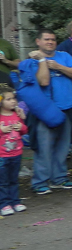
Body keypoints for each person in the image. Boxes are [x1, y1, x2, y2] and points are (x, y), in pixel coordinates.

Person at [25, 29, 72, 194]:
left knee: (63, 147)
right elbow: (43, 81)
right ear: (38, 41)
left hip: (67, 107)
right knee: (44, 148)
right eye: (46, 39)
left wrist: (57, 66)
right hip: (46, 111)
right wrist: (43, 60)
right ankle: (40, 182)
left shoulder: (64, 56)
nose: (50, 42)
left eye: (53, 40)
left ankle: (59, 178)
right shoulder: (32, 60)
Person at [0, 86, 27, 216]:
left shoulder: (17, 114)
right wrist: (1, 130)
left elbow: (24, 130)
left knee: (14, 179)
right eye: (9, 99)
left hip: (16, 152)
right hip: (2, 155)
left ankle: (15, 201)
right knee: (3, 181)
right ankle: (4, 204)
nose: (13, 101)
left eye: (14, 98)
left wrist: (21, 126)